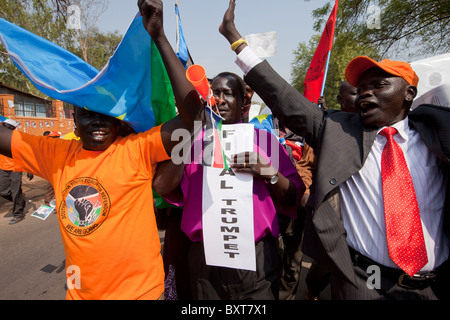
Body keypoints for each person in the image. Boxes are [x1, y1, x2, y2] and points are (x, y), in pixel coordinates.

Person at [219, 0, 450, 300]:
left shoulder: (439, 134)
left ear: (409, 93)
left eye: (379, 84)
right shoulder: (337, 131)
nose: (366, 92)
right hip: (364, 285)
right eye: (362, 87)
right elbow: (284, 97)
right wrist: (236, 41)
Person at [0, 0, 205, 300]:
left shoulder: (136, 150)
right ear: (74, 117)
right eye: (88, 111)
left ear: (118, 119)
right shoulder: (55, 155)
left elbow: (194, 118)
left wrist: (159, 37)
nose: (98, 120)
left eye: (107, 112)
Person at [156, 71, 305, 300]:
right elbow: (163, 187)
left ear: (244, 101)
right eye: (214, 93)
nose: (221, 100)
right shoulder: (192, 140)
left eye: (228, 93)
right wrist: (192, 134)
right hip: (205, 259)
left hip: (256, 258)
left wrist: (266, 171)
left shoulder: (265, 140)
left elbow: (294, 195)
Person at [0, 119, 33, 225]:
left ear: (13, 128)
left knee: (16, 191)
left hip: (16, 168)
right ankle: (20, 201)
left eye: (8, 126)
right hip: (2, 168)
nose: (5, 127)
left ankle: (18, 214)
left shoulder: (18, 139)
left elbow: (26, 154)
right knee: (2, 190)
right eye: (4, 125)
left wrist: (29, 169)